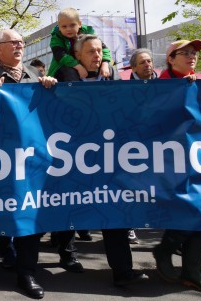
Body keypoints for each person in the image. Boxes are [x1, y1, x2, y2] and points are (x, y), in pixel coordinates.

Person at [57, 34, 149, 287]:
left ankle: (122, 271)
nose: (97, 56)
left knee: (114, 212)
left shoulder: (114, 77)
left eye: (99, 51)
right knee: (66, 207)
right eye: (90, 52)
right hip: (73, 158)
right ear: (77, 55)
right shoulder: (65, 77)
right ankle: (66, 255)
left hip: (109, 158)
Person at [0, 29, 58, 299]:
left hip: (31, 159)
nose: (20, 46)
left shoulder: (34, 76)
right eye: (13, 42)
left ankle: (27, 273)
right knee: (1, 208)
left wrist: (52, 88)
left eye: (22, 42)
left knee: (28, 213)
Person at [153, 39, 201, 294]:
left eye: (194, 53)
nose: (192, 56)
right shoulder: (159, 86)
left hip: (200, 157)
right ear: (171, 58)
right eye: (185, 53)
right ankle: (169, 250)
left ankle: (191, 269)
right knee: (192, 206)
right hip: (170, 159)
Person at [46, 8, 111, 81]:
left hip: (84, 66)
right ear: (59, 27)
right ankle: (75, 91)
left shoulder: (89, 32)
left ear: (79, 24)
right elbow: (60, 55)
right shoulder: (57, 37)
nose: (68, 29)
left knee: (109, 69)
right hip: (63, 68)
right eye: (64, 26)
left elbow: (104, 48)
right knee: (70, 72)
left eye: (72, 25)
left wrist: (105, 64)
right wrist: (78, 66)